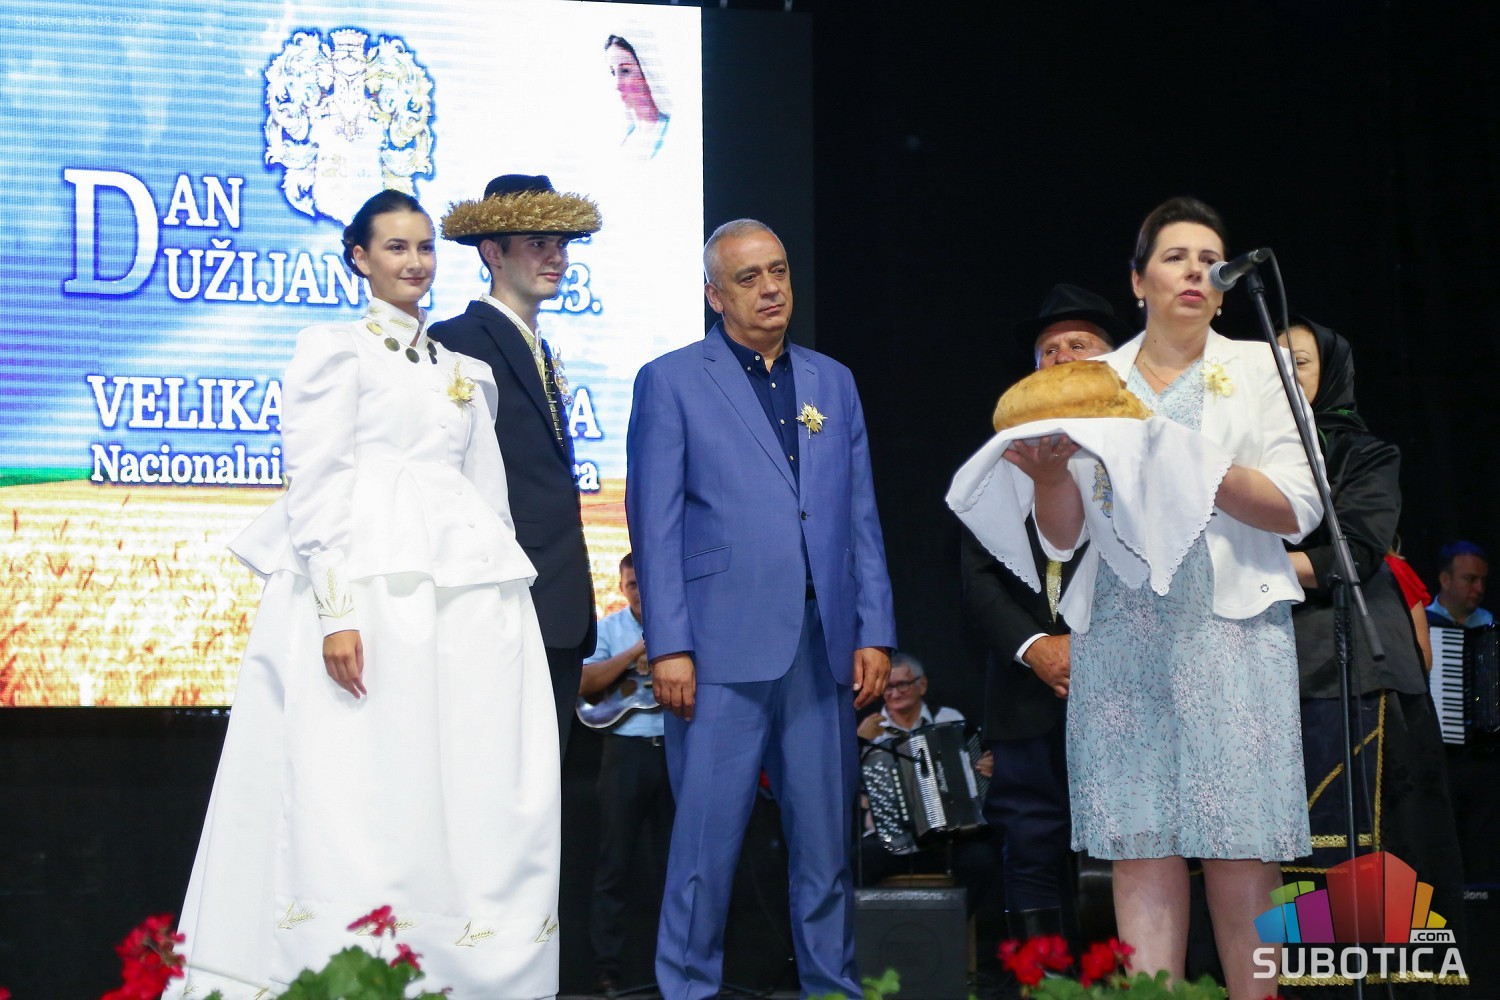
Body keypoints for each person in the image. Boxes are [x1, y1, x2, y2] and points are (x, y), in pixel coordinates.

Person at [167, 191, 560, 998]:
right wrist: (335, 613)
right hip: (364, 594)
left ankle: (452, 969)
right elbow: (316, 485)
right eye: (395, 248)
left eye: (424, 247)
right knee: (352, 778)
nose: (414, 262)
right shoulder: (334, 351)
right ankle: (334, 964)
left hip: (458, 605)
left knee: (449, 779)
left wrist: (502, 610)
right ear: (359, 258)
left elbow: (488, 502)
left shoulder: (464, 371)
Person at [1002, 196, 1321, 1000]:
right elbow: (1063, 539)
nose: (1196, 271)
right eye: (1175, 256)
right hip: (1123, 634)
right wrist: (1050, 479)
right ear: (1138, 280)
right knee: (1141, 849)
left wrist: (1193, 462)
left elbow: (1299, 506)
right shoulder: (1093, 381)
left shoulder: (1261, 369)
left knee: (1241, 850)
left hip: (1232, 632)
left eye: (1210, 260)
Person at [626, 218, 896, 999]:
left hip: (822, 648)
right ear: (715, 295)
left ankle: (832, 988)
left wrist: (874, 630)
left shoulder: (831, 381)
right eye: (749, 277)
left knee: (826, 849)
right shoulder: (671, 379)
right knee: (703, 853)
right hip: (716, 652)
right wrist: (668, 644)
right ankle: (687, 989)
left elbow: (860, 516)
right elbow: (654, 523)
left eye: (778, 271)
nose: (771, 287)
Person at [1278, 319, 1467, 979]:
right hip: (1267, 677)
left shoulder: (1362, 453)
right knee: (1284, 868)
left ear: (1330, 374)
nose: (1283, 373)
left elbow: (1354, 553)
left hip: (1354, 677)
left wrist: (1241, 569)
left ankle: (1369, 986)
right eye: (1271, 362)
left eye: (1299, 361)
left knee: (1366, 857)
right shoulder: (1232, 457)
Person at [960, 283, 1126, 940]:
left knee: (1131, 844)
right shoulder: (999, 460)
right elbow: (978, 582)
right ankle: (1042, 981)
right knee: (1028, 844)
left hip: (1127, 689)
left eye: (1077, 345)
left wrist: (1098, 648)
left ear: (1112, 360)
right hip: (1026, 693)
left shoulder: (1144, 449)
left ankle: (1128, 980)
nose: (1061, 359)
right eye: (1048, 351)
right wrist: (1036, 647)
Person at [430, 174, 601, 757]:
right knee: (498, 774)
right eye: (538, 243)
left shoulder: (538, 347)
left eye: (562, 244)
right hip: (501, 598)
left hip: (554, 599)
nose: (557, 257)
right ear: (492, 252)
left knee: (542, 783)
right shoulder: (457, 340)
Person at [578, 552, 674, 998]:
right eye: (632, 585)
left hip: (674, 751)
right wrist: (635, 653)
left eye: (644, 584)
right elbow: (585, 683)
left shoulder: (678, 625)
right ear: (621, 587)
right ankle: (608, 971)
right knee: (614, 864)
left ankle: (677, 964)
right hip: (624, 752)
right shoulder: (609, 628)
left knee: (674, 864)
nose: (638, 591)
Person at [856, 653, 996, 916]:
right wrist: (859, 743)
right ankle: (881, 935)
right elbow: (844, 788)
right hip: (891, 840)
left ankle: (948, 928)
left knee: (982, 860)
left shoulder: (949, 718)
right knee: (856, 862)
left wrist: (987, 766)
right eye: (888, 687)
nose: (894, 693)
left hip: (949, 838)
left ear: (922, 685)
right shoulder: (869, 731)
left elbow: (977, 769)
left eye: (902, 684)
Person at [606, 34, 671, 159]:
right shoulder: (625, 138)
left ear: (646, 71)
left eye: (625, 71)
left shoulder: (672, 133)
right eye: (613, 72)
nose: (617, 85)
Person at [1425, 541, 1492, 628]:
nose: (1480, 588)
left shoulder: (1488, 621)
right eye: (1471, 579)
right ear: (1445, 580)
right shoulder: (1422, 620)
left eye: (1483, 580)